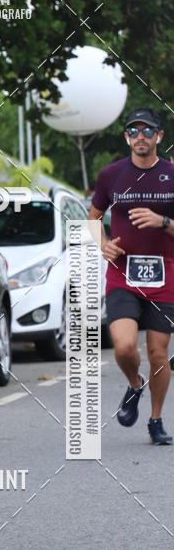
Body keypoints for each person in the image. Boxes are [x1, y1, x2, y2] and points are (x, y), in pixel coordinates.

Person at [88, 107, 174, 444]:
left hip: (165, 277)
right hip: (123, 275)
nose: (141, 137)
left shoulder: (171, 175)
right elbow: (92, 218)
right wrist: (103, 245)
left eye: (147, 131)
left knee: (158, 352)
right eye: (134, 132)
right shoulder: (110, 176)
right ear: (127, 137)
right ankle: (135, 384)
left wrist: (163, 222)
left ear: (159, 137)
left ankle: (155, 419)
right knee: (124, 346)